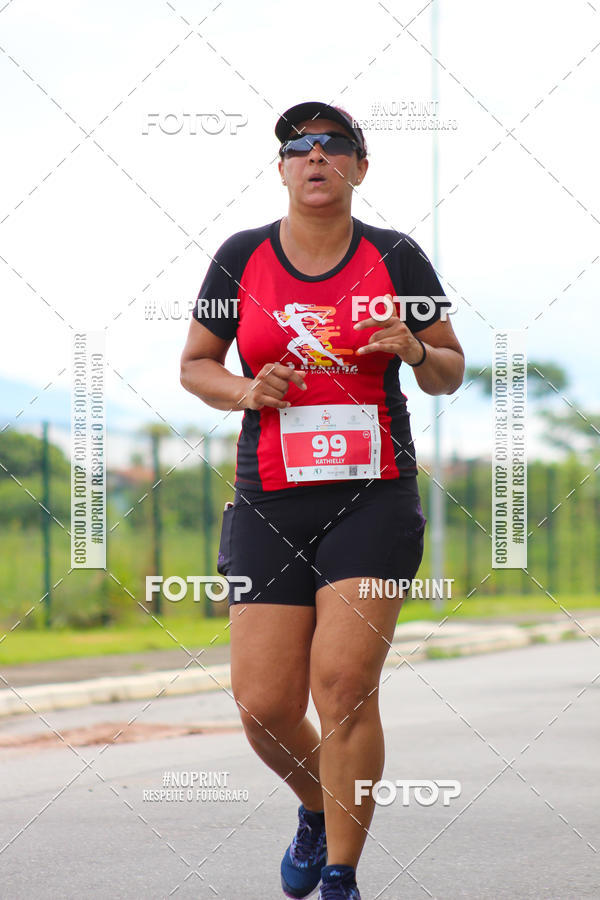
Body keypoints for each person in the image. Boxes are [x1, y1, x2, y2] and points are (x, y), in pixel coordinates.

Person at [180, 100, 464, 900]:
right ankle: (315, 802)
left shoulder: (397, 257)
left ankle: (341, 872)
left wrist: (414, 348)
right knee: (265, 703)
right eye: (297, 148)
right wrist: (245, 388)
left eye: (333, 146)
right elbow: (196, 364)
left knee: (342, 684)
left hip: (373, 498)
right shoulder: (240, 257)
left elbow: (450, 367)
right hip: (270, 498)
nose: (315, 157)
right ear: (281, 169)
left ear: (358, 168)